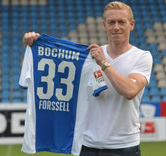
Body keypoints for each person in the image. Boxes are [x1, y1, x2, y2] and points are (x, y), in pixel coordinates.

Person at [23, 1, 152, 156]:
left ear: (131, 24)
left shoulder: (142, 57)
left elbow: (130, 91)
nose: (116, 27)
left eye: (121, 22)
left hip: (124, 147)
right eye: (111, 22)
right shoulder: (88, 57)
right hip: (87, 146)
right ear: (104, 25)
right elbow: (58, 64)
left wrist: (103, 63)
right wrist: (38, 44)